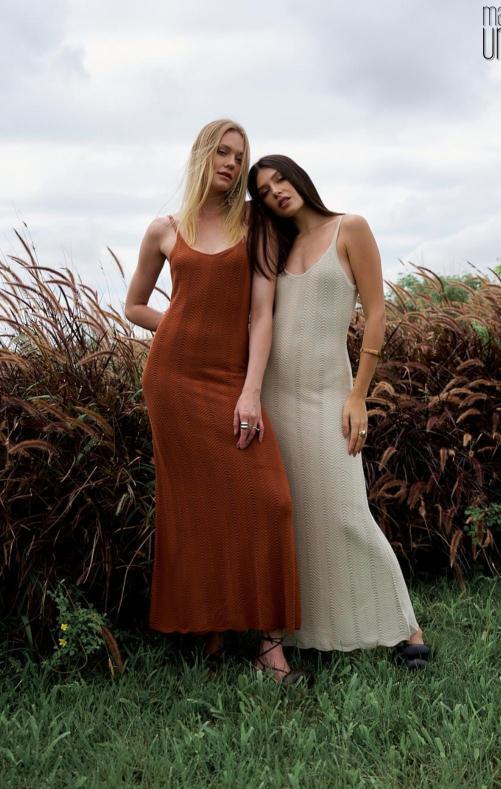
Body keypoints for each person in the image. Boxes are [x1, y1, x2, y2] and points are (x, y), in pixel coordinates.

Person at [124, 123, 310, 685]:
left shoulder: (254, 224)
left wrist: (251, 390)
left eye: (239, 156)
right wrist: (184, 330)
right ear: (202, 155)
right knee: (197, 508)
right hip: (173, 381)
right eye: (222, 152)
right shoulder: (164, 229)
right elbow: (134, 307)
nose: (231, 163)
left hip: (232, 379)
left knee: (270, 500)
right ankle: (211, 629)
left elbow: (262, 314)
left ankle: (269, 646)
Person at [245, 154, 431, 669]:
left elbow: (376, 312)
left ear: (298, 177)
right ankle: (307, 632)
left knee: (347, 510)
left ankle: (408, 628)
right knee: (298, 516)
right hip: (277, 396)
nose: (277, 192)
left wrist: (358, 396)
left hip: (330, 394)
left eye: (280, 179)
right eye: (265, 191)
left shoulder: (350, 228)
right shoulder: (277, 247)